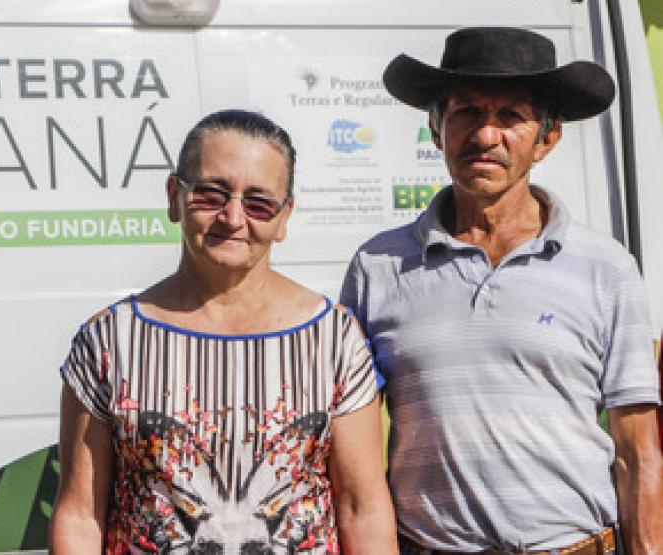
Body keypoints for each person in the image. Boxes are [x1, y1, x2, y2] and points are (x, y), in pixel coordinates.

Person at [339, 27, 663, 555]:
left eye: (510, 116)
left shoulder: (607, 269)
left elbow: (638, 453)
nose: (486, 135)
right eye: (467, 112)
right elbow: (348, 446)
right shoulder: (378, 267)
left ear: (546, 139)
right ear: (437, 129)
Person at [50, 109, 398, 554]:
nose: (233, 218)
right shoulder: (108, 342)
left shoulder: (334, 339)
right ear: (174, 197)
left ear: (284, 217)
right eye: (211, 195)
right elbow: (80, 516)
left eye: (258, 203)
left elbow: (361, 508)